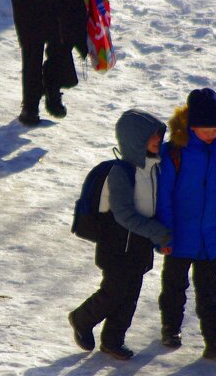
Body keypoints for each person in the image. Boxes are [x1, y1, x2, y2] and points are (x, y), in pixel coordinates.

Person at [156, 88, 216, 359]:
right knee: (175, 286)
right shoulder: (175, 152)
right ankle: (170, 328)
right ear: (191, 125)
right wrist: (163, 234)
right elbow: (162, 196)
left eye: (215, 128)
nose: (211, 134)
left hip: (210, 236)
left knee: (210, 290)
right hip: (178, 235)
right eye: (204, 129)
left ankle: (215, 340)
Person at [69, 110, 172, 360]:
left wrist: (158, 241)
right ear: (135, 139)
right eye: (152, 136)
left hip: (139, 245)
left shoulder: (154, 169)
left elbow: (153, 207)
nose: (158, 139)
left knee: (130, 298)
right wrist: (157, 233)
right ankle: (81, 318)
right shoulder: (122, 173)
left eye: (159, 134)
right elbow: (123, 214)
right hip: (116, 243)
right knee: (114, 292)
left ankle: (113, 341)